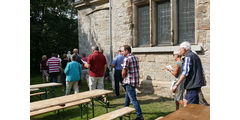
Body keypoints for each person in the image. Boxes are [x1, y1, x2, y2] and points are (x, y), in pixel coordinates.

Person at [172, 41, 205, 105]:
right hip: (196, 84)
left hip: (192, 85)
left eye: (180, 49)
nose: (180, 51)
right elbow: (201, 70)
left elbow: (185, 72)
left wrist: (176, 85)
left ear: (184, 49)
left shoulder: (188, 57)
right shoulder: (195, 56)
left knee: (190, 106)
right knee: (186, 102)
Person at [121, 45, 144, 120]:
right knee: (127, 96)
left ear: (127, 51)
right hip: (134, 81)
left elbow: (124, 72)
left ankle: (140, 116)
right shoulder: (135, 57)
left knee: (133, 99)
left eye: (122, 51)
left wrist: (123, 76)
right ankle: (125, 110)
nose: (121, 52)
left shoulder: (127, 59)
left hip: (129, 81)